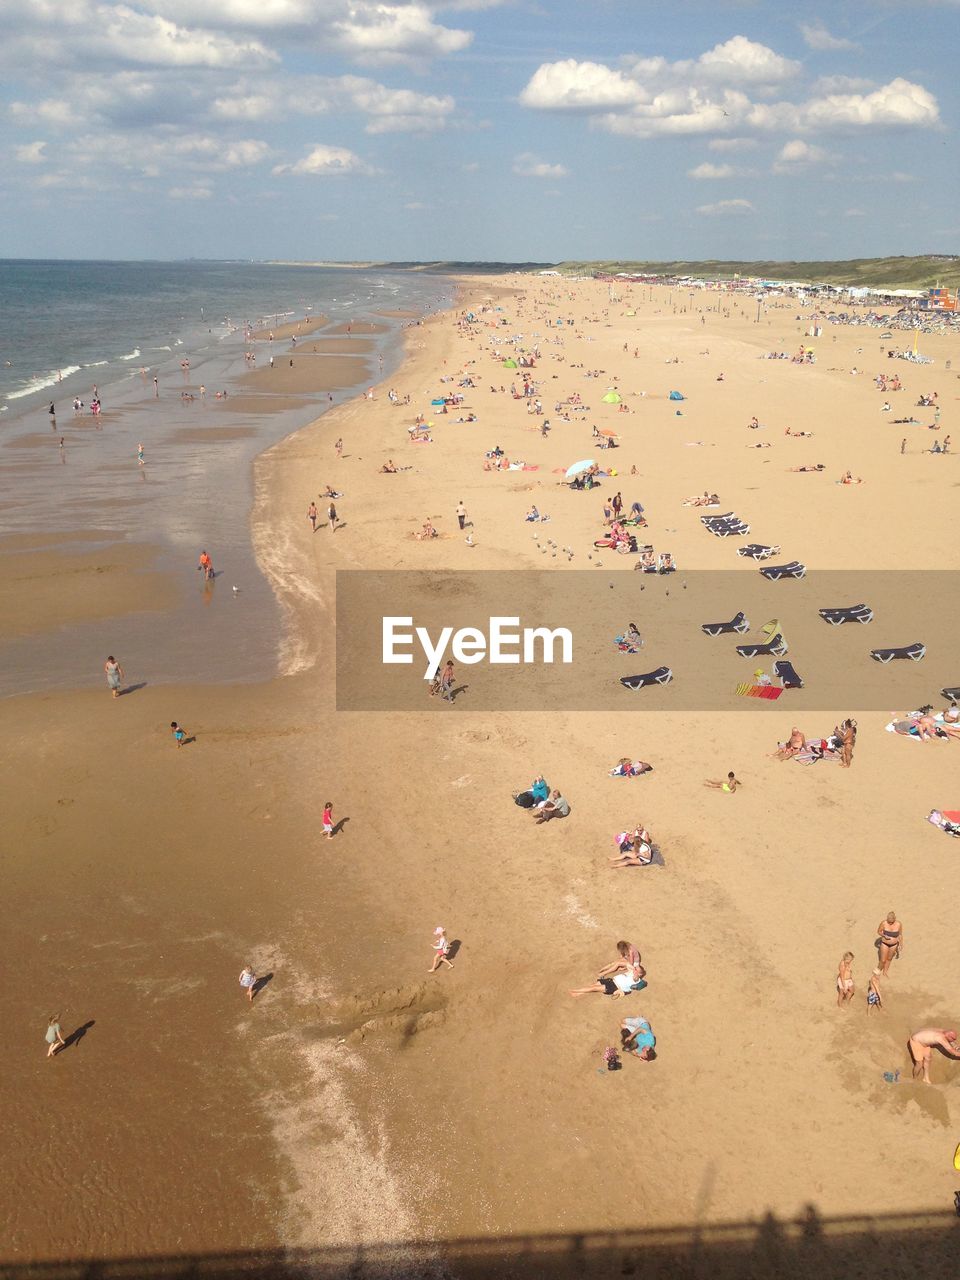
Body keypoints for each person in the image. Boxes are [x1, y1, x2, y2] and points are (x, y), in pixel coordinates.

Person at [876, 912, 902, 976]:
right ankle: (877, 972)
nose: (890, 923)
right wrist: (884, 935)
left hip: (894, 944)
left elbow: (900, 935)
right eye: (889, 922)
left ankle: (885, 972)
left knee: (889, 958)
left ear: (895, 919)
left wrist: (901, 944)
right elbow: (879, 931)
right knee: (883, 960)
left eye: (891, 922)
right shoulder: (883, 923)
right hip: (885, 943)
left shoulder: (899, 924)